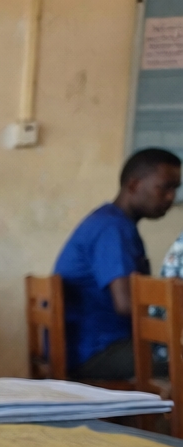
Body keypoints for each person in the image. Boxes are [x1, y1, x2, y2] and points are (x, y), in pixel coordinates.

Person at [54, 147, 181, 379]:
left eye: (176, 189)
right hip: (96, 352)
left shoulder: (111, 222)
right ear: (133, 185)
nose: (171, 197)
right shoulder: (112, 228)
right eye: (165, 187)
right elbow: (126, 304)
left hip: (87, 347)